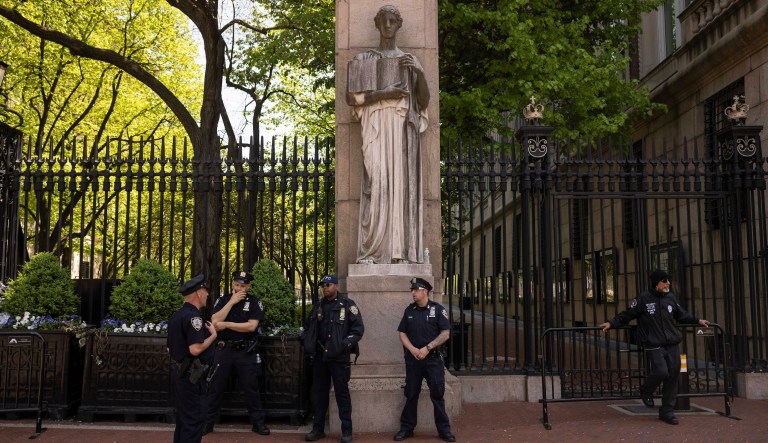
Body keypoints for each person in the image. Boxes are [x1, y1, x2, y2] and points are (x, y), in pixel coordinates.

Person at [346, 4, 430, 265]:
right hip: (375, 124)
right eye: (384, 20)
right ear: (377, 23)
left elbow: (423, 101)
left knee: (400, 186)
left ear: (399, 24)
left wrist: (420, 72)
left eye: (393, 20)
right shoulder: (364, 60)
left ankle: (399, 251)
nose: (389, 25)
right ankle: (372, 250)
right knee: (377, 181)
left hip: (401, 125)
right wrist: (386, 93)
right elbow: (352, 97)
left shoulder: (408, 61)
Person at [600, 269, 710, 425]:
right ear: (656, 283)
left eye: (668, 280)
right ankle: (646, 390)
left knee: (673, 375)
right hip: (654, 343)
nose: (668, 283)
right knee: (661, 371)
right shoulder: (644, 298)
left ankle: (667, 412)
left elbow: (681, 314)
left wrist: (697, 320)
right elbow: (629, 313)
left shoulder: (670, 298)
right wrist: (612, 323)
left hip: (672, 343)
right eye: (664, 281)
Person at [204, 271, 270, 436]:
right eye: (236, 285)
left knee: (251, 388)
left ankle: (258, 424)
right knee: (215, 387)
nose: (238, 288)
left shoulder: (254, 302)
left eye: (242, 285)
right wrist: (231, 303)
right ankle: (207, 423)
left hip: (245, 351)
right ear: (233, 284)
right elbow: (214, 320)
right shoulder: (224, 300)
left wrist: (226, 324)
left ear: (248, 286)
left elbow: (251, 326)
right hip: (224, 349)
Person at [303, 275, 365, 443]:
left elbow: (358, 329)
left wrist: (343, 345)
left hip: (339, 358)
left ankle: (346, 431)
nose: (325, 288)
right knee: (320, 395)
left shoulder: (347, 305)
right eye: (323, 285)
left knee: (342, 395)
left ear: (336, 286)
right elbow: (308, 327)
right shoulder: (318, 306)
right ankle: (318, 430)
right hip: (320, 358)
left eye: (328, 285)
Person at [394, 278, 455, 442]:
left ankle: (444, 430)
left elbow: (445, 333)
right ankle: (407, 429)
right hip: (414, 360)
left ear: (425, 291)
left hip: (433, 360)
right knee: (411, 393)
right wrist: (413, 349)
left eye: (415, 290)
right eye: (411, 290)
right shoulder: (409, 311)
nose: (412, 293)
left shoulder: (438, 309)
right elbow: (402, 333)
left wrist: (427, 348)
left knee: (437, 395)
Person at [168, 274, 217, 443]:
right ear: (198, 293)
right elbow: (195, 349)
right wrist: (213, 336)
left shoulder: (177, 315)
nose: (207, 295)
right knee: (194, 421)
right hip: (191, 378)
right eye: (205, 291)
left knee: (184, 421)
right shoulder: (194, 318)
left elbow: (170, 347)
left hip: (180, 373)